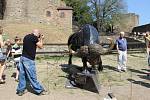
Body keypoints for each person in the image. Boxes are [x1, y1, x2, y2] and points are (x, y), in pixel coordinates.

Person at [16, 29, 46, 96]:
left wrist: (38, 38)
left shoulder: (26, 36)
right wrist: (41, 39)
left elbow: (31, 44)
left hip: (22, 58)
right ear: (37, 33)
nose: (39, 35)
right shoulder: (34, 38)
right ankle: (39, 90)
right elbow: (41, 46)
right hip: (29, 60)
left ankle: (20, 90)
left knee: (22, 76)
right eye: (39, 34)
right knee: (32, 76)